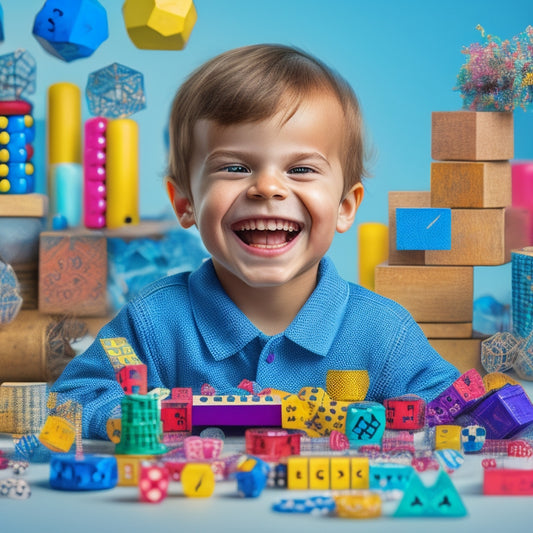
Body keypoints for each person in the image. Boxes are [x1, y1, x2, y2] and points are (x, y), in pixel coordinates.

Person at [51, 44, 460, 439]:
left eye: (300, 169)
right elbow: (71, 400)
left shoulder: (384, 332)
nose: (267, 187)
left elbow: (456, 408)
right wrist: (152, 415)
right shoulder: (153, 322)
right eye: (234, 167)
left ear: (344, 207)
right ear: (185, 203)